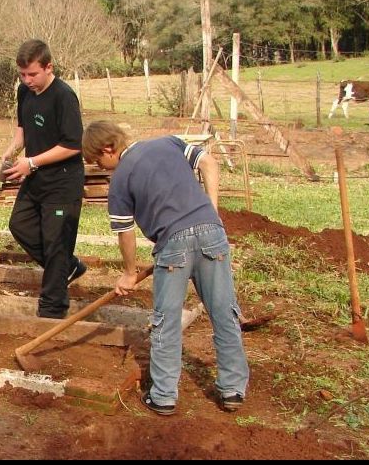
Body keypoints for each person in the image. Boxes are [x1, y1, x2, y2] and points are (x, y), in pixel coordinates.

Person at [81, 120, 250, 416]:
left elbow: (125, 232)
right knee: (224, 313)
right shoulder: (168, 143)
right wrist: (211, 209)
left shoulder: (120, 180)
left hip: (173, 246)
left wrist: (129, 273)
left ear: (108, 148)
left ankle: (163, 396)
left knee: (166, 321)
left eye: (97, 161)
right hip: (212, 235)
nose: (100, 167)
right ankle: (233, 389)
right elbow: (209, 163)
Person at [0, 39, 86, 319]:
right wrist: (12, 152)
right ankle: (67, 268)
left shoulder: (64, 97)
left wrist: (32, 162)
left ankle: (52, 309)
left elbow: (73, 145)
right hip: (35, 178)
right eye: (22, 75)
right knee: (20, 225)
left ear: (49, 67)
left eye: (33, 74)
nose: (27, 80)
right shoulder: (24, 92)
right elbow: (22, 129)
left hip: (62, 182)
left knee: (56, 243)